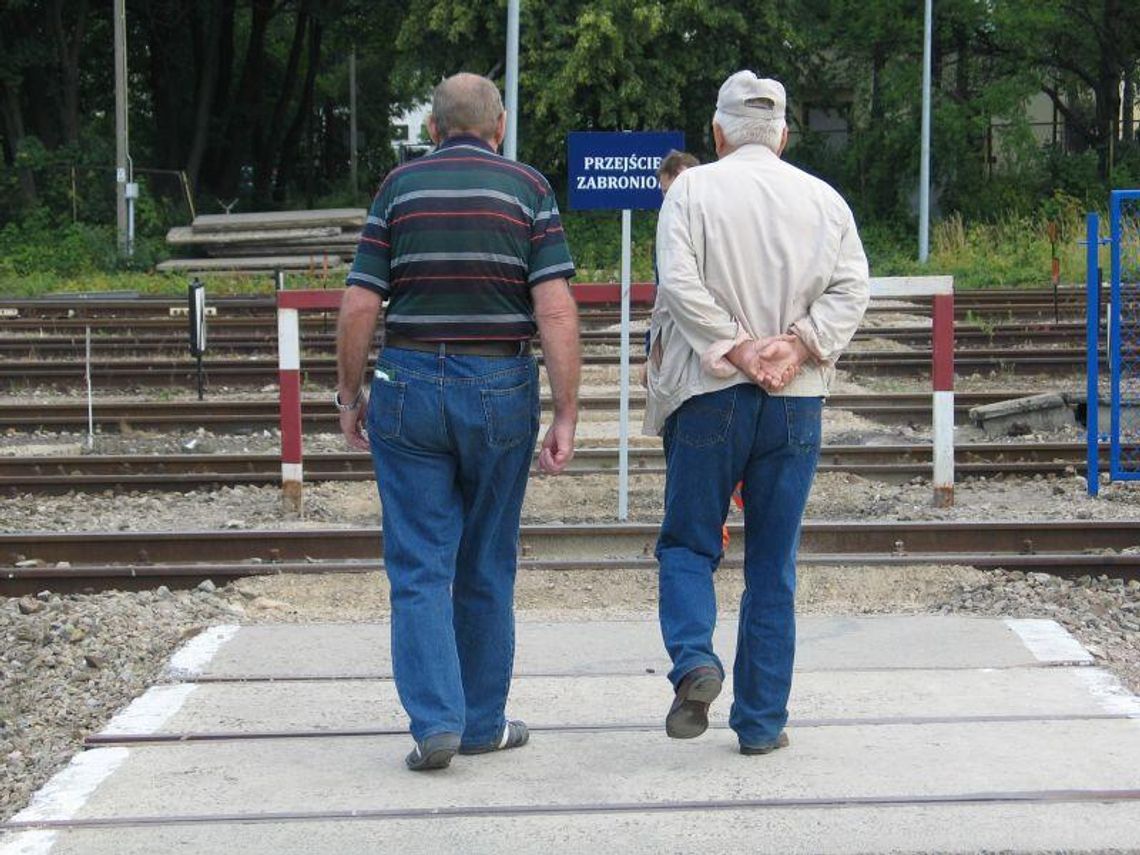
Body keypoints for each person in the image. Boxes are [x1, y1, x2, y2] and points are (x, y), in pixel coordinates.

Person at [335, 72, 581, 772]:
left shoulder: (398, 190)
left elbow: (359, 304)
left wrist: (348, 395)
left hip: (407, 381)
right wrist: (566, 410)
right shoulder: (528, 189)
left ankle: (434, 723)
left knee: (418, 564)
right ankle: (481, 722)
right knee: (487, 560)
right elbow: (556, 309)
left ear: (434, 130)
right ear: (498, 126)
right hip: (499, 383)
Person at [645, 70, 870, 755]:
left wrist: (737, 348)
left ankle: (695, 663)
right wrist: (798, 345)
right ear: (783, 134)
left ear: (716, 133)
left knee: (688, 543)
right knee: (773, 564)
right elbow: (853, 285)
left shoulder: (689, 193)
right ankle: (763, 722)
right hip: (794, 403)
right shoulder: (825, 200)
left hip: (708, 394)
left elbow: (678, 281)